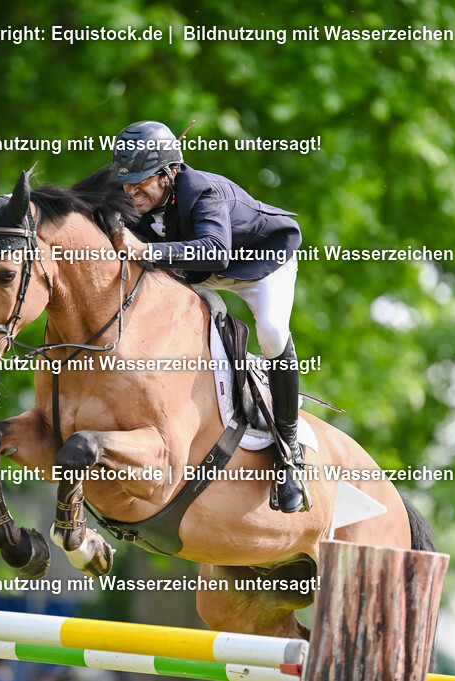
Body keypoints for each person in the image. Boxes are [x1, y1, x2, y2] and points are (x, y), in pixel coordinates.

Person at [109, 120, 310, 513]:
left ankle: (289, 453)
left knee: (270, 332)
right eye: (125, 185)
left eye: (140, 184)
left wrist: (147, 251)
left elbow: (215, 252)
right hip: (196, 271)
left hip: (257, 264)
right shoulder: (134, 192)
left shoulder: (202, 191)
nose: (131, 194)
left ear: (169, 175)